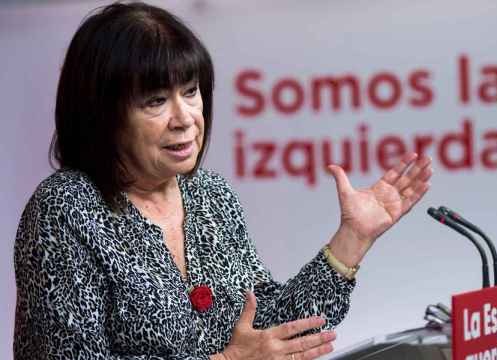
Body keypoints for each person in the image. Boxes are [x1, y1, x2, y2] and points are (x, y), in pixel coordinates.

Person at [13, 2, 433, 360]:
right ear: (103, 115)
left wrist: (352, 238)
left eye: (191, 92)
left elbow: (265, 330)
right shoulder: (63, 210)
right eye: (156, 101)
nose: (185, 119)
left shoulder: (211, 195)